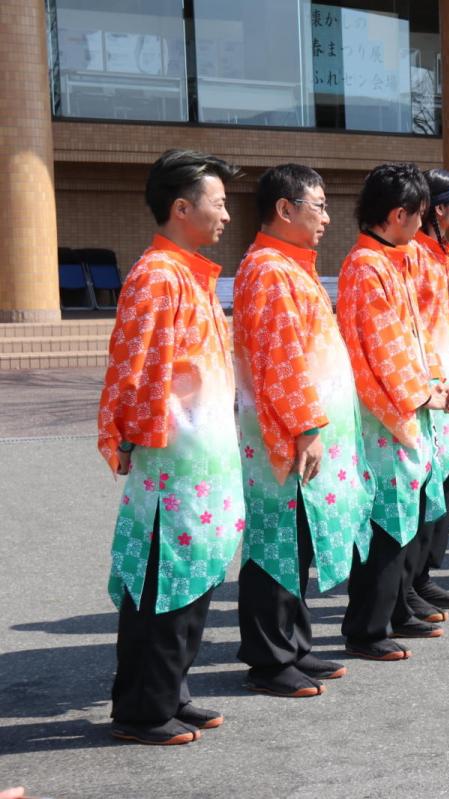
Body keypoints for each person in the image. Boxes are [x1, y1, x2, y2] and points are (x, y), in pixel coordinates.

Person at [98, 149, 244, 745]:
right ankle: (141, 709)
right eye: (219, 202)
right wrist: (130, 439)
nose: (227, 215)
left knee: (189, 582)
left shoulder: (186, 273)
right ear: (182, 208)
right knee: (162, 584)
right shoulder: (159, 275)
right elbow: (133, 369)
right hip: (173, 463)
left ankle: (169, 692)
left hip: (199, 462)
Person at [234, 164, 374, 694]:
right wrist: (304, 428)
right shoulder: (270, 269)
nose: (326, 216)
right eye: (317, 205)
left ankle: (292, 646)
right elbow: (280, 359)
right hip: (283, 434)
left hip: (299, 431)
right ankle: (270, 659)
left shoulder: (289, 267)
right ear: (284, 209)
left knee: (296, 542)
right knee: (276, 543)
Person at [338, 163, 449, 657]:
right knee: (387, 521)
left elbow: (414, 336)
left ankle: (395, 610)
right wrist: (424, 391)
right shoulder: (368, 266)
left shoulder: (390, 260)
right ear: (398, 214)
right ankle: (369, 626)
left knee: (404, 518)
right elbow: (383, 346)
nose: (422, 223)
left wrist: (435, 383)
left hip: (402, 405)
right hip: (383, 412)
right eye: (419, 214)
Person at [408, 168, 449, 612]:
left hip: (445, 394)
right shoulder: (413, 257)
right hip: (424, 395)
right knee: (420, 489)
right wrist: (425, 385)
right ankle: (406, 584)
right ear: (437, 210)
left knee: (442, 485)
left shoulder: (437, 257)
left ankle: (422, 576)